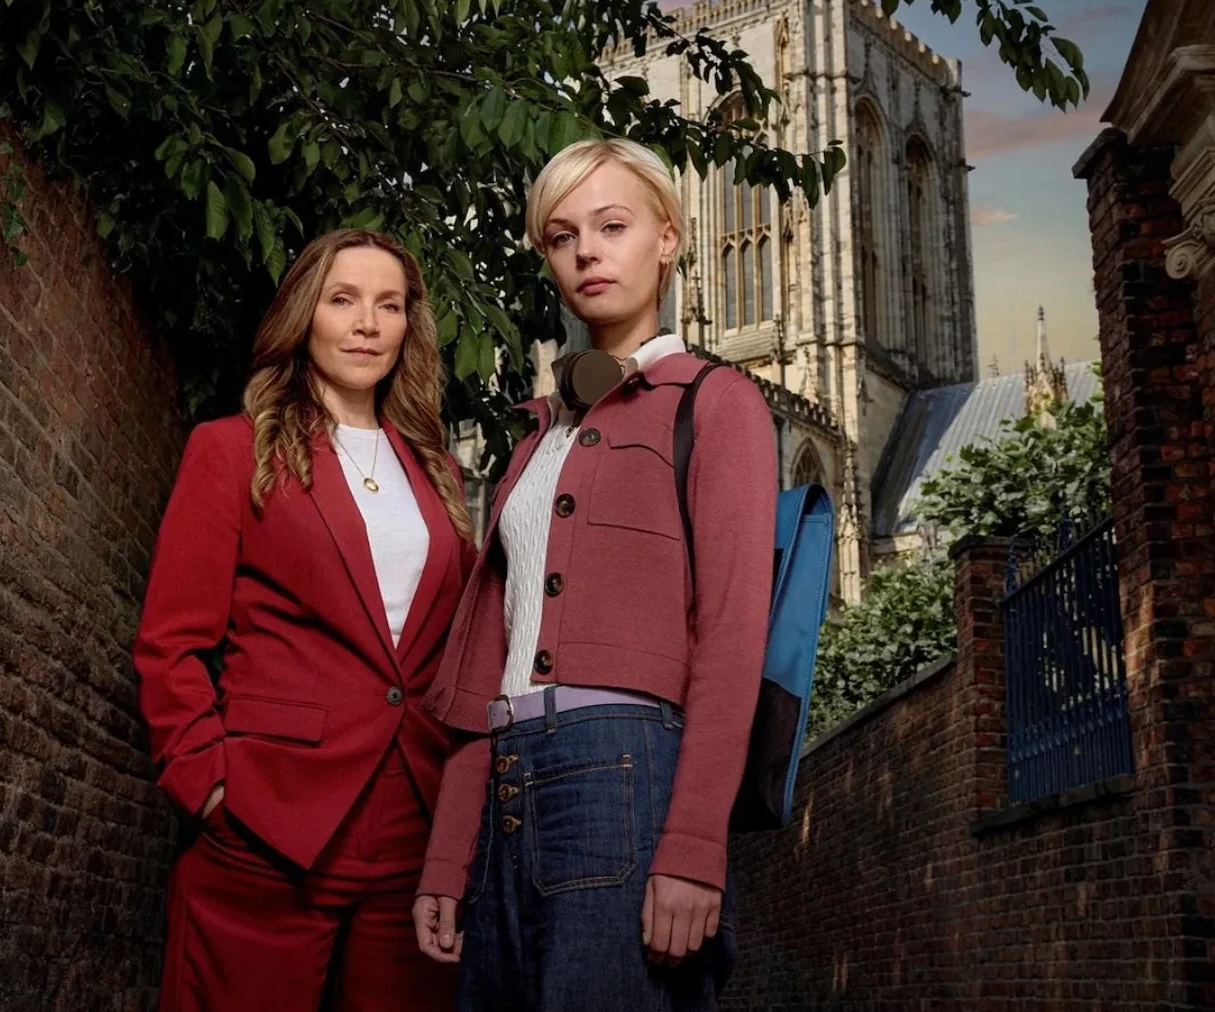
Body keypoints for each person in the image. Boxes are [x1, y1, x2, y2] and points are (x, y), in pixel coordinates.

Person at [411, 138, 778, 1011]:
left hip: (624, 775)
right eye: (562, 234)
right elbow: (487, 665)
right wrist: (447, 857)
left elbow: (730, 638)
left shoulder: (715, 402)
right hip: (505, 787)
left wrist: (693, 847)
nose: (587, 251)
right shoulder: (535, 440)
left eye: (613, 226)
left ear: (669, 239)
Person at [134, 228, 476, 1011]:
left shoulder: (440, 475)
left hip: (409, 838)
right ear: (303, 315)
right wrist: (209, 786)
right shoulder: (231, 450)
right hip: (267, 823)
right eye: (343, 299)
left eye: (388, 306)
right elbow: (171, 642)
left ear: (407, 328)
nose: (366, 324)